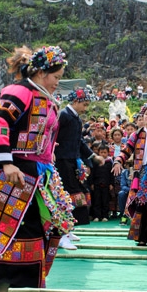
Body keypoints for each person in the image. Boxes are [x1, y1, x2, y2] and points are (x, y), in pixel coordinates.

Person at [0, 45, 75, 292]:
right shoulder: (19, 91)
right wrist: (5, 162)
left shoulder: (42, 95)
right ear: (42, 73)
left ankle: (8, 291)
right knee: (13, 232)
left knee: (42, 229)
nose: (58, 81)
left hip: (36, 172)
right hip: (16, 173)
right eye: (56, 76)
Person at [113, 103, 147, 246]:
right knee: (140, 205)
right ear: (142, 116)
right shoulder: (136, 134)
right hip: (141, 172)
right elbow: (126, 151)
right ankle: (142, 238)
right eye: (146, 114)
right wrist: (118, 161)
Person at [55, 89, 104, 225]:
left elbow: (80, 141)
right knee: (69, 191)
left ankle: (72, 225)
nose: (85, 108)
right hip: (62, 159)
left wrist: (93, 156)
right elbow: (52, 133)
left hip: (73, 160)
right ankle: (67, 226)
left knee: (79, 190)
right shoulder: (63, 115)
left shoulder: (76, 118)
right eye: (85, 105)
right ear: (76, 101)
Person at [90, 144, 114, 222]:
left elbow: (111, 174)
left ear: (108, 153)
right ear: (98, 153)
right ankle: (96, 216)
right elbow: (92, 173)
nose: (103, 154)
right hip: (96, 184)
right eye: (101, 152)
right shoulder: (95, 162)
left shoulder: (109, 162)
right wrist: (92, 183)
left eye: (105, 152)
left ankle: (105, 216)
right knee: (96, 200)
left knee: (105, 200)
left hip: (106, 184)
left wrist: (111, 184)